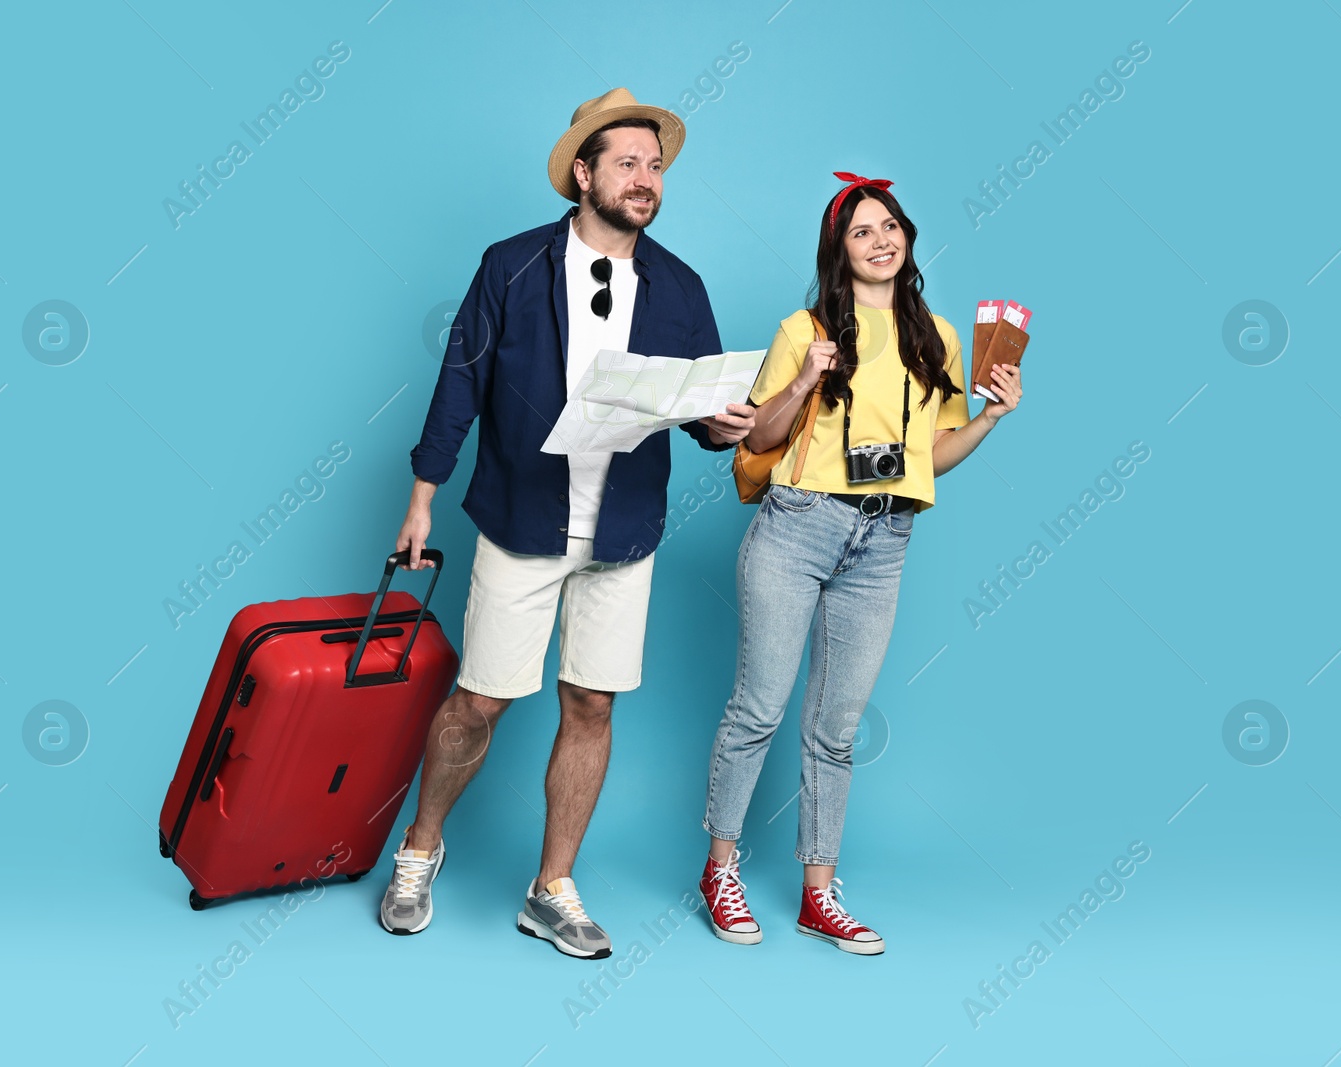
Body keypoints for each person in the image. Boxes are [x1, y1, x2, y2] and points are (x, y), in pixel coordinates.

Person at [380, 88, 755, 960]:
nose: (645, 179)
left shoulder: (681, 285)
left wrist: (721, 423)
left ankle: (551, 888)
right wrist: (423, 495)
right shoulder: (510, 266)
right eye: (627, 162)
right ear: (582, 174)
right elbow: (458, 381)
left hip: (623, 530)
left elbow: (698, 405)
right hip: (521, 518)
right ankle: (419, 849)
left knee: (591, 702)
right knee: (480, 700)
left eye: (655, 165)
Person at [697, 172, 1024, 954]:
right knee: (760, 708)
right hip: (800, 525)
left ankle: (819, 894)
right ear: (838, 251)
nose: (881, 240)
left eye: (891, 227)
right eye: (862, 231)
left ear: (907, 239)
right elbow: (756, 439)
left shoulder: (938, 337)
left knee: (836, 729)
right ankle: (720, 869)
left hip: (885, 540)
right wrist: (808, 373)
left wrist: (991, 419)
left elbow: (929, 458)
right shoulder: (802, 327)